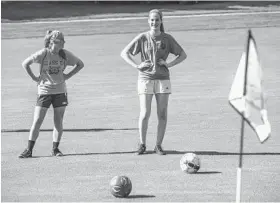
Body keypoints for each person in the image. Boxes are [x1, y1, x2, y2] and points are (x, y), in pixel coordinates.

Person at [120, 9, 187, 155]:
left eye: (157, 20)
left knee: (162, 113)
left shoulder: (167, 38)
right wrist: (137, 66)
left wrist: (169, 64)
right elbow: (124, 53)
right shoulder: (142, 37)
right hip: (145, 79)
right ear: (148, 21)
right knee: (145, 113)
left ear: (161, 21)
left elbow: (183, 55)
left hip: (163, 79)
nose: (154, 22)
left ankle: (158, 145)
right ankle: (142, 144)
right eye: (152, 20)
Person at [19, 30, 84, 158]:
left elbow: (80, 64)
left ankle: (55, 149)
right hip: (44, 91)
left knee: (58, 121)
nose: (62, 45)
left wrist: (67, 76)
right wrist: (35, 78)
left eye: (63, 42)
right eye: (60, 42)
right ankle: (29, 150)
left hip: (60, 91)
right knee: (37, 120)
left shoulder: (65, 54)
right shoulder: (44, 53)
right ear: (52, 42)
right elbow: (25, 63)